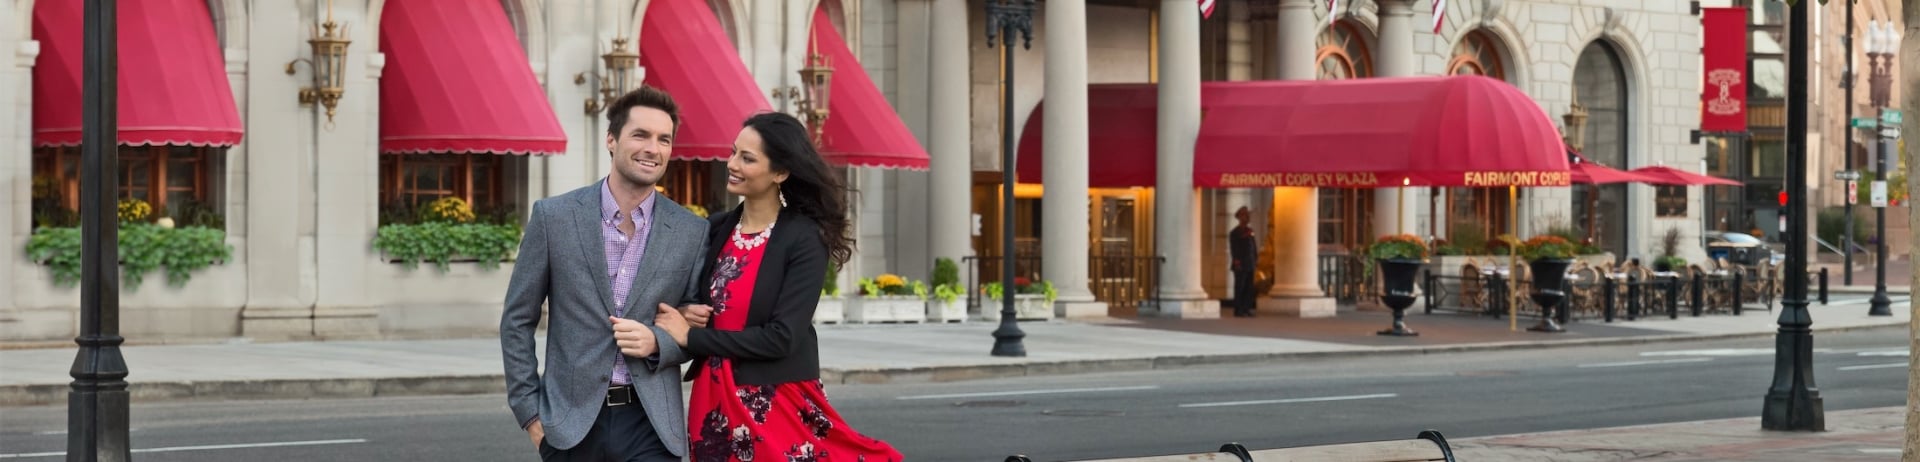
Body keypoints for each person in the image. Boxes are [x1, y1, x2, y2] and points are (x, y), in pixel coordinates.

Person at [654, 112, 902, 462]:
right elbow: (690, 302)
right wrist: (684, 314)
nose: (732, 164)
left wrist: (690, 337)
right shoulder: (715, 229)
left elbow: (782, 336)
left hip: (775, 400)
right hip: (712, 399)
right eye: (734, 152)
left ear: (780, 173)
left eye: (747, 158)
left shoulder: (803, 238)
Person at [500, 86, 709, 461]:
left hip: (652, 425)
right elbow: (517, 319)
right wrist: (529, 411)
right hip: (570, 424)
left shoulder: (692, 231)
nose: (653, 148)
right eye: (640, 135)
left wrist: (658, 342)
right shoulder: (554, 217)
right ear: (611, 140)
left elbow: (696, 329)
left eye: (664, 139)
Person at [1229, 207, 1258, 317]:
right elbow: (1234, 249)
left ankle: (1246, 308)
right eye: (1245, 215)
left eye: (1247, 215)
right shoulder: (1235, 233)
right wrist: (1237, 262)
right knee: (1240, 287)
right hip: (1240, 264)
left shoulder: (1250, 231)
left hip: (1250, 263)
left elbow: (1253, 247)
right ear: (1240, 217)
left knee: (1249, 287)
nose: (1247, 218)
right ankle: (1238, 309)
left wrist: (1255, 260)